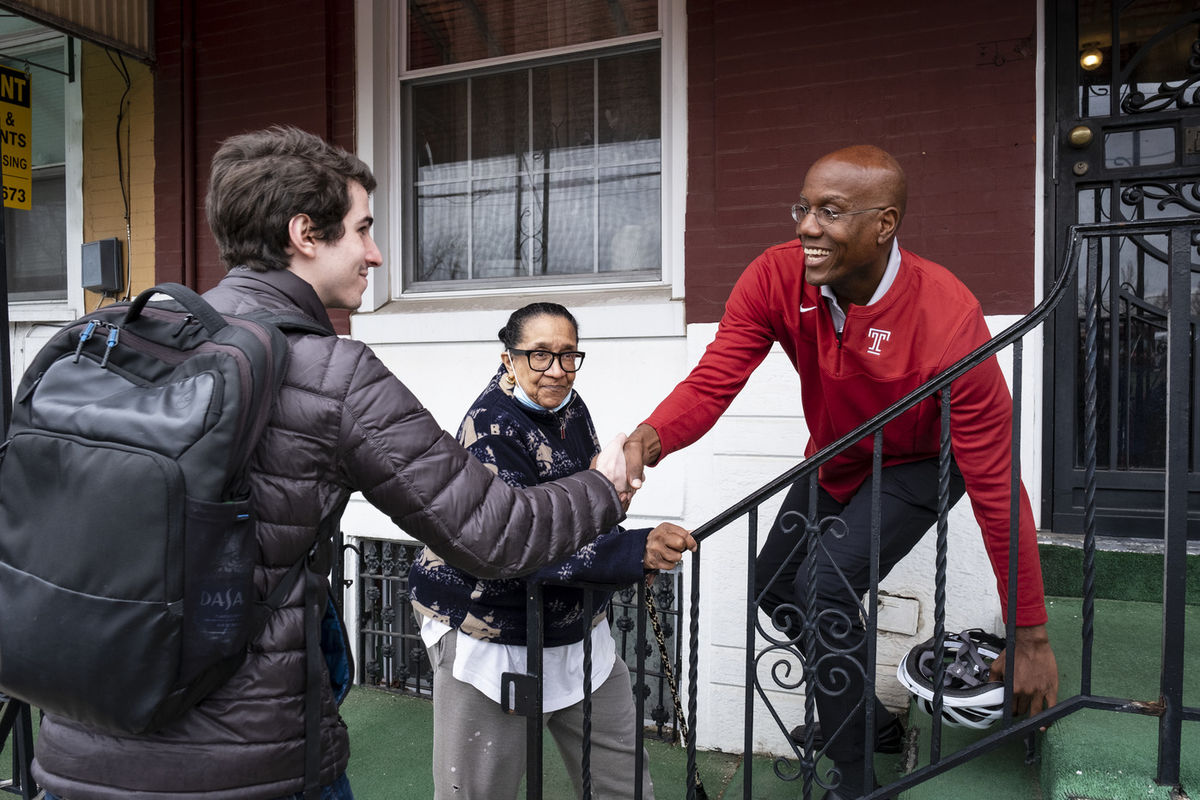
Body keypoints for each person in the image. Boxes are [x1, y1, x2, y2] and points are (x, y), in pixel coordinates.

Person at [31, 126, 633, 800]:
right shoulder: (332, 373)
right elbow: (497, 533)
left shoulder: (120, 338)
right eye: (363, 229)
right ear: (304, 235)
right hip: (251, 770)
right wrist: (604, 488)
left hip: (78, 752)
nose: (376, 254)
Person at [621, 145, 1059, 799]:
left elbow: (995, 481)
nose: (805, 227)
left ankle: (854, 779)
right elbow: (715, 379)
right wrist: (647, 440)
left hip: (921, 465)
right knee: (776, 588)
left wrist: (1029, 633)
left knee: (823, 585)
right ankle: (868, 721)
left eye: (830, 211)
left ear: (884, 224)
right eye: (803, 208)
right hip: (837, 456)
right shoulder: (777, 277)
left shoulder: (948, 318)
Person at [409, 302, 696, 800]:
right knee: (477, 791)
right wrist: (632, 553)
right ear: (508, 359)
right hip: (491, 624)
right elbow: (516, 544)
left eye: (568, 356)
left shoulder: (570, 406)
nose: (558, 371)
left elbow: (583, 506)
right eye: (540, 356)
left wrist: (622, 541)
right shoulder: (491, 429)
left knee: (623, 783)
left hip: (576, 623)